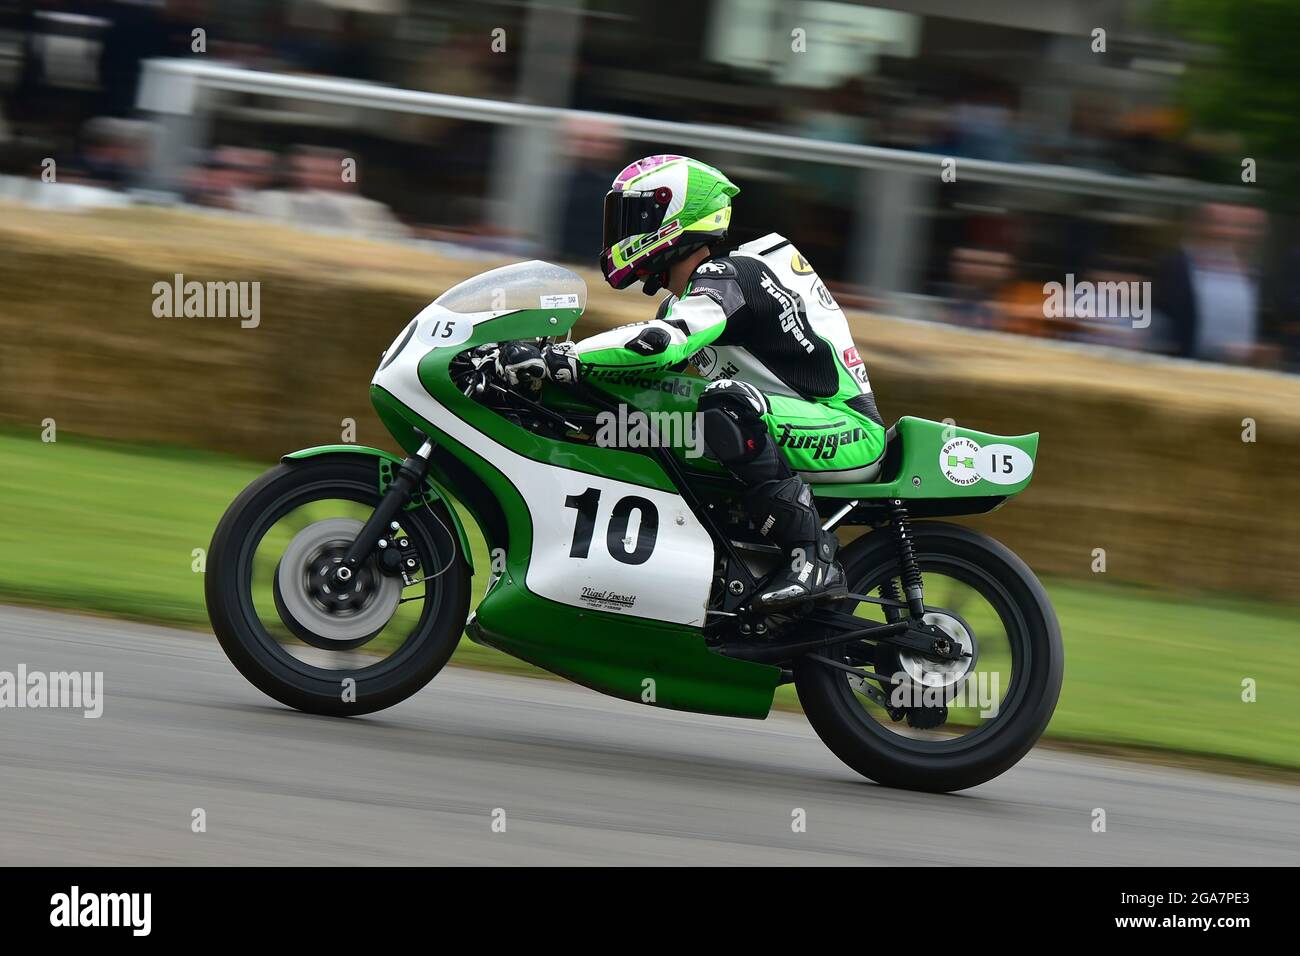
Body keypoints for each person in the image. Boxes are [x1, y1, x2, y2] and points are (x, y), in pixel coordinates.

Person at [498, 155, 887, 611]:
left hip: (847, 431)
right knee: (657, 412)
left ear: (675, 220)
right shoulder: (688, 302)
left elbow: (657, 345)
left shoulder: (734, 274)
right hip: (794, 424)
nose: (620, 233)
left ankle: (812, 558)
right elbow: (639, 377)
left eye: (633, 218)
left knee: (725, 405)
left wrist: (562, 356)